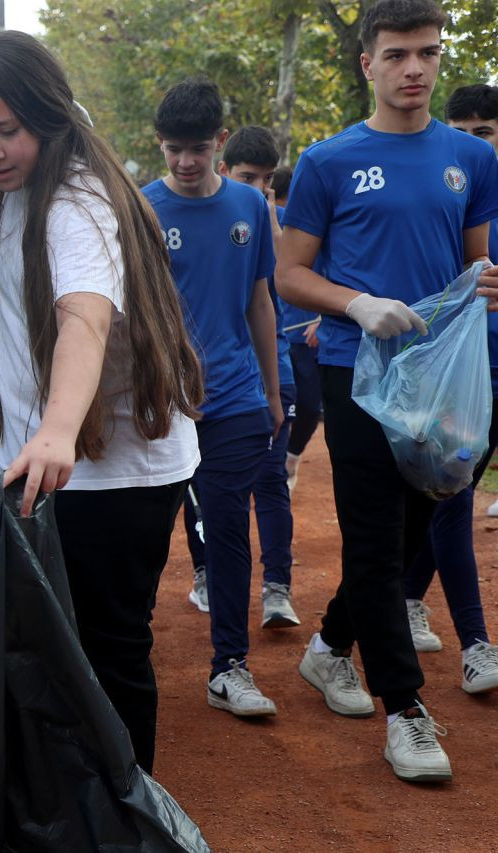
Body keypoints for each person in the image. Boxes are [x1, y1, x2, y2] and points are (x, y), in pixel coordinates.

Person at [0, 29, 203, 774]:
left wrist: (58, 429)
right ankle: (64, 806)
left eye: (8, 131)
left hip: (112, 476)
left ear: (48, 116)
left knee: (108, 652)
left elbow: (84, 317)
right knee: (44, 647)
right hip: (41, 463)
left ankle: (124, 811)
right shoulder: (20, 181)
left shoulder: (78, 201)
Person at [277, 0, 498, 782]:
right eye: (399, 53)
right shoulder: (327, 161)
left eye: (428, 53)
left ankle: (330, 646)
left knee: (414, 531)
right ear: (366, 63)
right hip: (353, 371)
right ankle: (405, 709)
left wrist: (485, 285)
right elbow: (290, 273)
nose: (416, 68)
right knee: (374, 540)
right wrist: (356, 303)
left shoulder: (471, 159)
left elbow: (474, 264)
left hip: (438, 375)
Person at [143, 81, 284, 718]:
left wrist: (272, 390)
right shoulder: (142, 211)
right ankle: (123, 656)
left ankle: (229, 666)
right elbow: (131, 314)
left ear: (220, 144)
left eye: (197, 149)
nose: (185, 162)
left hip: (235, 400)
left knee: (228, 526)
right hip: (160, 403)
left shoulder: (249, 208)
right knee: (143, 531)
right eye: (174, 149)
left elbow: (260, 301)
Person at [400, 82, 498, 694]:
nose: (468, 143)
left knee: (439, 505)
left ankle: (406, 596)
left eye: (482, 132)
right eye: (459, 130)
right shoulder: (442, 204)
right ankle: (477, 646)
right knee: (451, 498)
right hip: (457, 381)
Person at [219, 126, 301, 629]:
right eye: (249, 178)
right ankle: (208, 573)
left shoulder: (271, 216)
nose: (259, 189)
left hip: (274, 369)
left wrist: (267, 213)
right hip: (213, 382)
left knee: (271, 481)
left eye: (267, 181)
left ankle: (277, 589)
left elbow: (275, 284)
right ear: (224, 169)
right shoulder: (192, 210)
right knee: (207, 489)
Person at [273, 166, 325, 493]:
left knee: (308, 405)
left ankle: (290, 458)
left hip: (305, 334)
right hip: (270, 333)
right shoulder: (261, 216)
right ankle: (272, 468)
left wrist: (325, 315)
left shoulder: (319, 222)